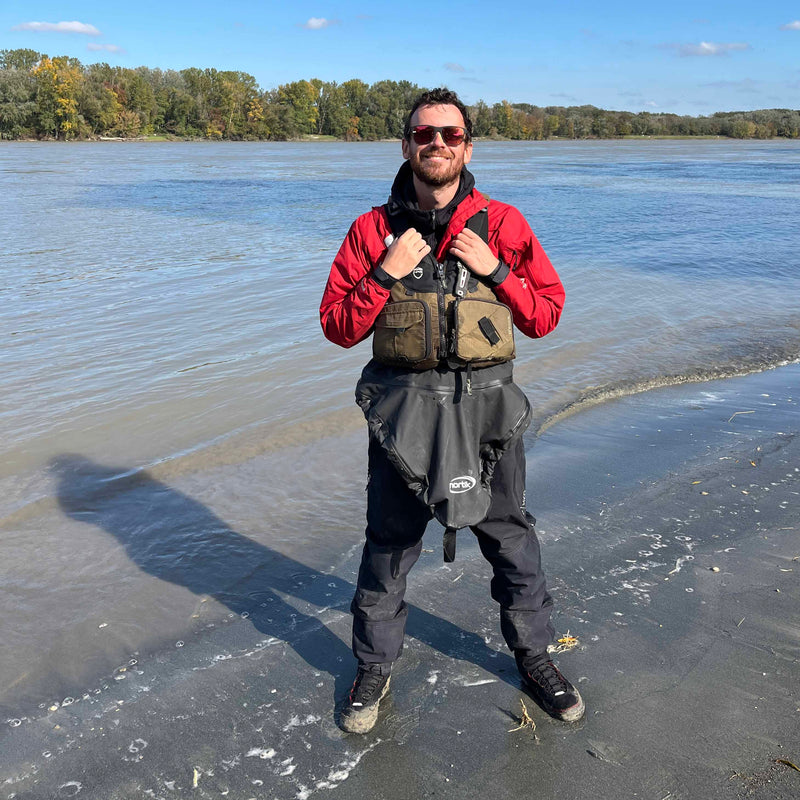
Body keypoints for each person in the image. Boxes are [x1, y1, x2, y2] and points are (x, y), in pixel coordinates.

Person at [320, 88, 582, 734]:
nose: (438, 144)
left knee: (513, 542)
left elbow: (546, 314)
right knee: (387, 550)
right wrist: (384, 273)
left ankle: (534, 656)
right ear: (406, 145)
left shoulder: (506, 225)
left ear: (468, 145)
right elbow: (336, 325)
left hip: (488, 422)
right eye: (424, 134)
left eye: (450, 134)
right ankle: (374, 667)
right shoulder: (371, 231)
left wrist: (497, 269)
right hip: (403, 422)